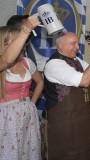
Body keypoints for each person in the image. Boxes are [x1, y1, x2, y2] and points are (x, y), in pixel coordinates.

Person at [42, 32, 90, 159]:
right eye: (73, 44)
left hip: (79, 120)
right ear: (60, 44)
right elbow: (84, 81)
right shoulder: (54, 64)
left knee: (82, 153)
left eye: (77, 43)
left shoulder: (76, 60)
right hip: (62, 122)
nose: (77, 47)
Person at [0, 15, 43, 159]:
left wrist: (32, 103)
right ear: (5, 44)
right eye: (17, 41)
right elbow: (7, 59)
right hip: (6, 118)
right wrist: (25, 31)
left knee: (28, 151)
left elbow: (40, 82)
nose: (23, 44)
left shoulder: (26, 62)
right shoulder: (2, 64)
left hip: (27, 114)